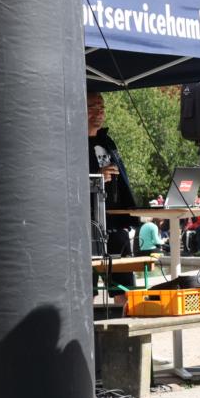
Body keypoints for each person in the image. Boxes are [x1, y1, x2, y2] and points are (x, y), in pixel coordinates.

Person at [87, 92, 138, 308]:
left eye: (102, 107)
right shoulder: (71, 141)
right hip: (87, 224)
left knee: (124, 287)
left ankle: (125, 329)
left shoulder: (107, 141)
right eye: (92, 107)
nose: (99, 112)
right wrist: (96, 175)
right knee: (87, 289)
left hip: (115, 223)